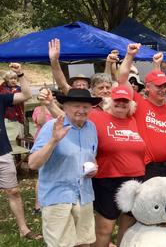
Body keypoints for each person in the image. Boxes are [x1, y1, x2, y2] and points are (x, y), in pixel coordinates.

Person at [29, 88, 102, 247]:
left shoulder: (91, 128)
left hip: (84, 195)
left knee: (84, 243)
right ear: (65, 107)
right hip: (57, 196)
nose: (81, 110)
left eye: (86, 107)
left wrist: (94, 168)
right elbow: (33, 163)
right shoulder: (52, 126)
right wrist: (54, 141)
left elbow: (91, 157)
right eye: (76, 106)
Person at [88, 85, 146, 247]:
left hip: (135, 181)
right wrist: (49, 105)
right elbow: (73, 116)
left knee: (128, 226)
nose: (121, 104)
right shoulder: (96, 117)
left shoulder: (134, 120)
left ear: (131, 104)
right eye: (117, 100)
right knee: (105, 228)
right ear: (109, 101)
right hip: (107, 180)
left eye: (125, 101)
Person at [118, 44, 166, 180]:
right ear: (147, 87)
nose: (163, 89)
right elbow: (122, 78)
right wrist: (130, 55)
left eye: (165, 85)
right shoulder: (139, 104)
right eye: (158, 86)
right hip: (148, 168)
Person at [0, 64, 39, 241]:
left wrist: (20, 74)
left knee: (14, 191)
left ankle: (24, 229)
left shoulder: (1, 98)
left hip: (2, 151)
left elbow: (27, 95)